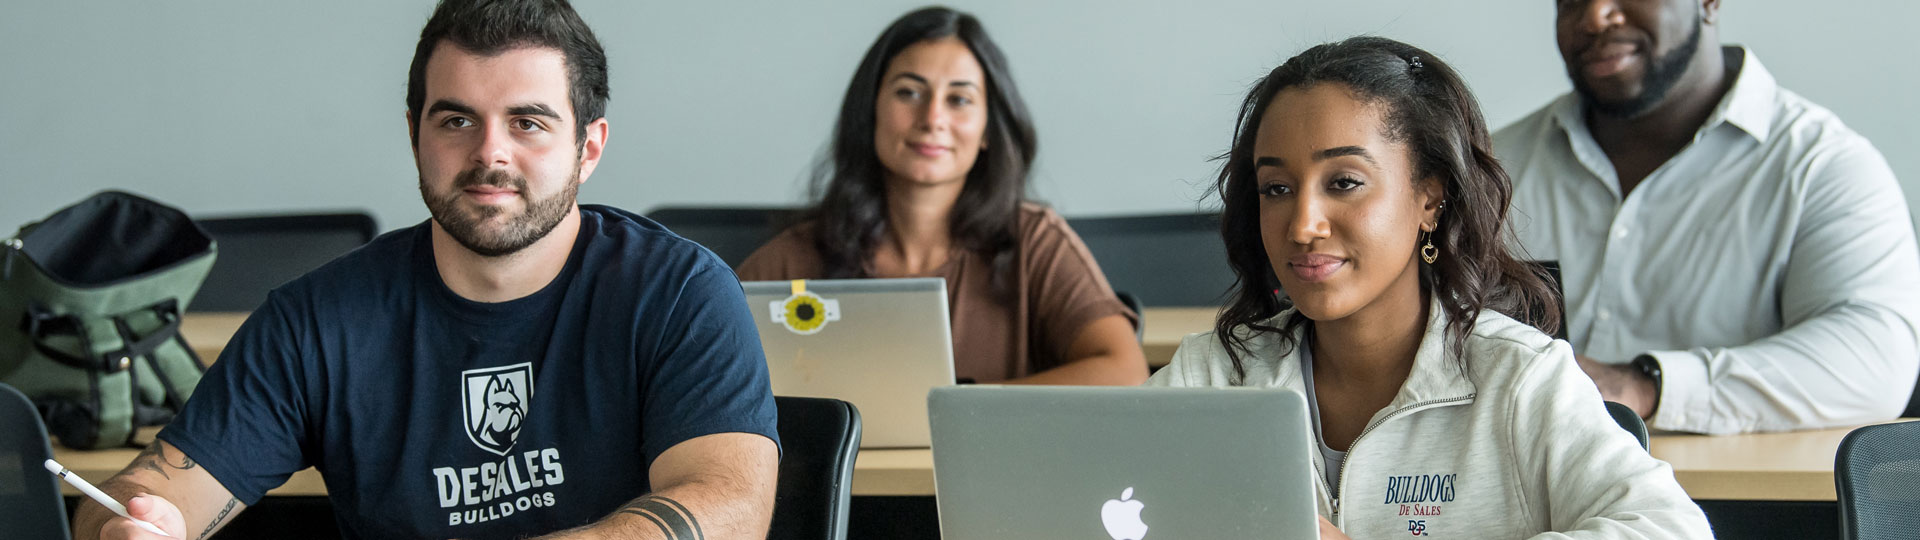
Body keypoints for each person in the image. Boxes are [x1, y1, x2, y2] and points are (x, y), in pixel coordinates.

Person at [75, 1, 779, 538]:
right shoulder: (319, 320)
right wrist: (137, 522)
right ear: (415, 135)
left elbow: (730, 504)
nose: (489, 153)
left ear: (588, 147)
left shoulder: (678, 291)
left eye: (528, 122)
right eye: (456, 121)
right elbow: (158, 491)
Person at [1146, 37, 1711, 538]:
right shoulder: (1215, 375)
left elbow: (1671, 528)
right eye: (1276, 188)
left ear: (1429, 199)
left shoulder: (1519, 378)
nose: (1302, 225)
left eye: (1344, 182)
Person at [1495, 0, 1920, 434]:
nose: (1594, 16)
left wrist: (1644, 386)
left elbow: (1874, 360)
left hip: (1743, 499)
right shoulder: (1490, 170)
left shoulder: (1822, 166)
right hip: (1530, 497)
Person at [736, 7, 1147, 385]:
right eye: (909, 93)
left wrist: (956, 409)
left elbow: (1126, 371)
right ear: (871, 109)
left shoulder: (1034, 242)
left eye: (959, 99)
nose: (932, 118)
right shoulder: (794, 258)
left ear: (987, 130)